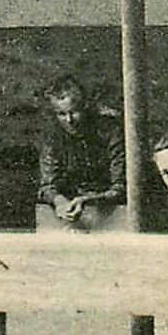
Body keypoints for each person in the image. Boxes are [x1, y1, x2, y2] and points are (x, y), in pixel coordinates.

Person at [37, 75, 126, 227]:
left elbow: (121, 186)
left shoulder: (111, 131)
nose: (69, 120)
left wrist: (88, 200)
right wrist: (59, 200)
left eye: (75, 111)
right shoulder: (52, 140)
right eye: (62, 114)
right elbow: (47, 186)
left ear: (85, 106)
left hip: (112, 212)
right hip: (71, 213)